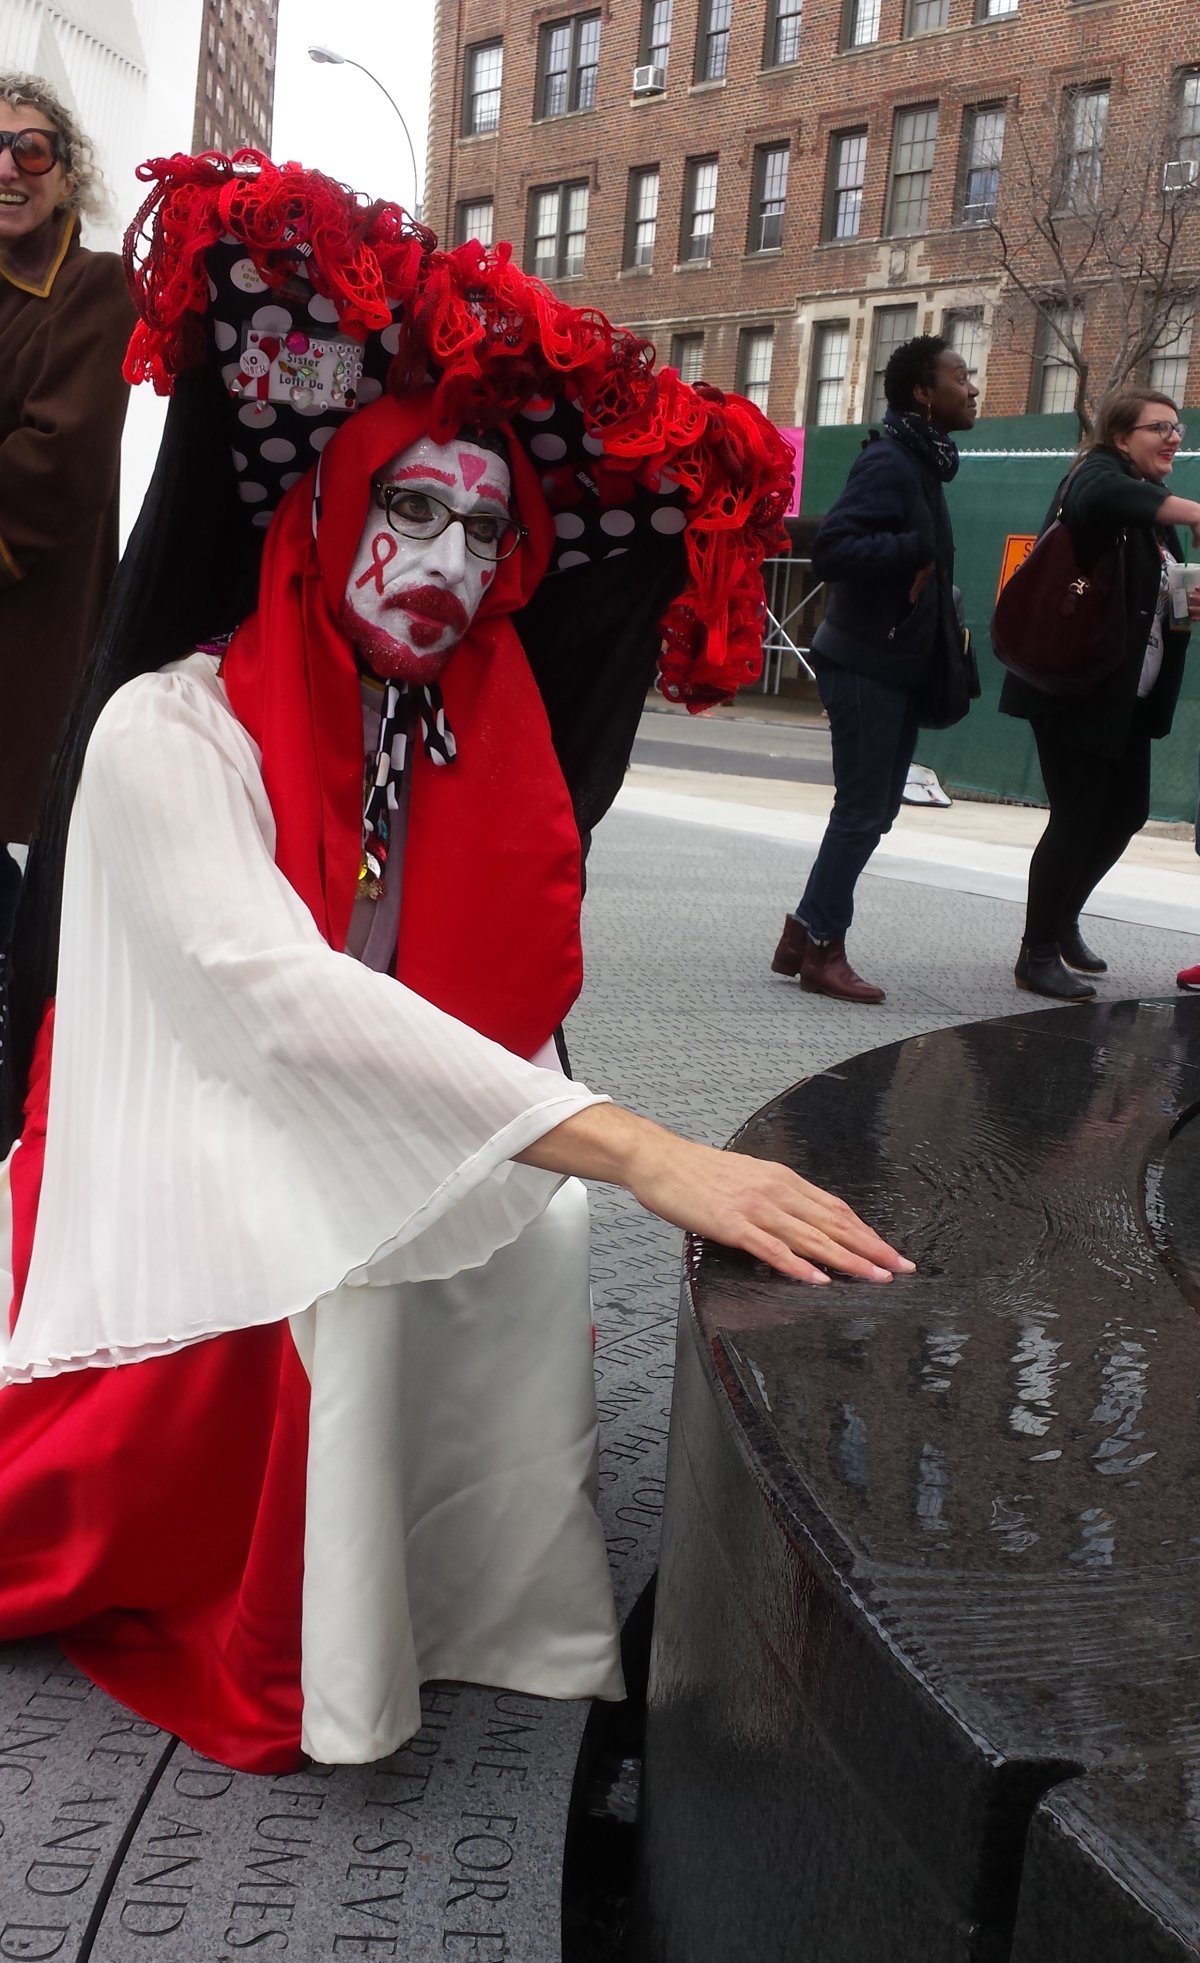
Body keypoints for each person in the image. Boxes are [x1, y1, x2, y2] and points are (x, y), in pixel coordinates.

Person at [0, 153, 912, 1777]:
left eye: (488, 527)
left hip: (334, 1104)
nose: (448, 557)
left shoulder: (437, 732)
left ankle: (467, 1600)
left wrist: (574, 1149)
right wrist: (648, 1152)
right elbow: (266, 994)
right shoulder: (166, 725)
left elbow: (484, 995)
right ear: (327, 513)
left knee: (524, 1214)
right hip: (168, 1139)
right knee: (358, 1258)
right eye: (408, 507)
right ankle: (315, 1637)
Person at [770, 335, 978, 1003]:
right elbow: (832, 550)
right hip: (865, 661)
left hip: (896, 662)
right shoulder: (890, 460)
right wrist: (914, 547)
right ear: (924, 391)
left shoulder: (922, 462)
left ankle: (803, 932)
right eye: (960, 376)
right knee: (862, 810)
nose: (972, 387)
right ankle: (822, 949)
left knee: (876, 810)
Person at [1000, 389, 1200, 1001]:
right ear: (1119, 438)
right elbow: (1100, 500)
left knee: (1125, 812)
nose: (1173, 437)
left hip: (1126, 693)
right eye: (1159, 427)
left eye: (1178, 427)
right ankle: (1036, 952)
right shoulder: (1096, 476)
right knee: (1077, 816)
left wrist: (1184, 602)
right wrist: (1193, 511)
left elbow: (1148, 593)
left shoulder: (1152, 511)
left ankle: (1062, 920)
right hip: (1076, 685)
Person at [0, 75, 132, 948]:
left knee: (27, 888)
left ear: (67, 174)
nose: (9, 168)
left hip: (28, 631)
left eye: (32, 149)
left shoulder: (97, 286)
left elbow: (56, 461)